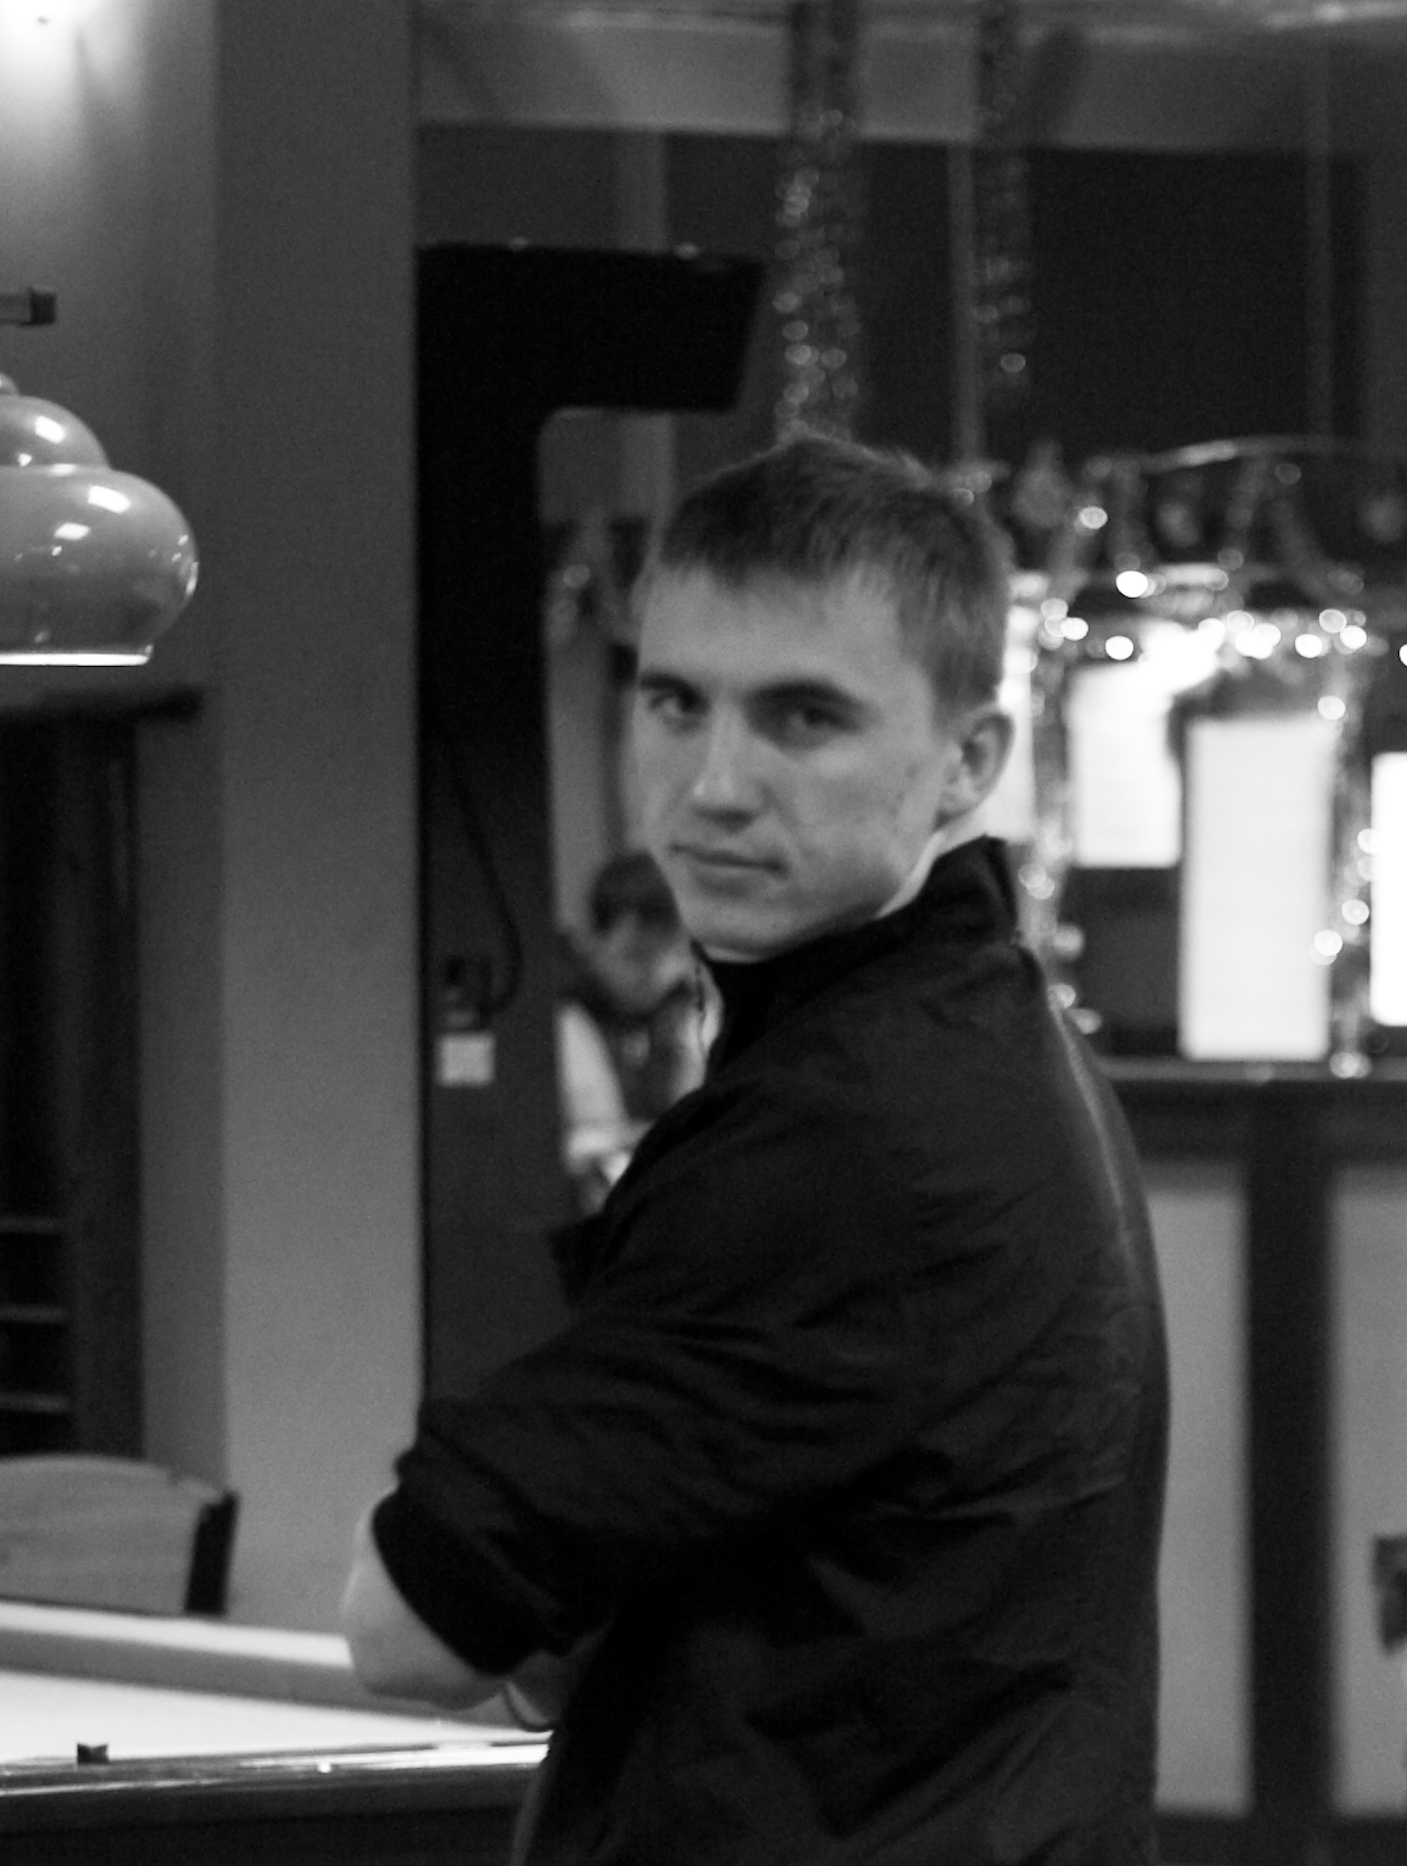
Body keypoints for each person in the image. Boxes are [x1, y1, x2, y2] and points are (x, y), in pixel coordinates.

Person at [343, 435, 1169, 1864]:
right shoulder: (971, 1027)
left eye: (803, 717)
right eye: (675, 701)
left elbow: (406, 1622)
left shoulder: (849, 1125)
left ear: (967, 762)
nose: (713, 783)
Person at [557, 849, 704, 1213]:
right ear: (592, 941)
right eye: (635, 955)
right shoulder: (558, 1022)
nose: (653, 973)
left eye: (667, 954)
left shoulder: (697, 1019)